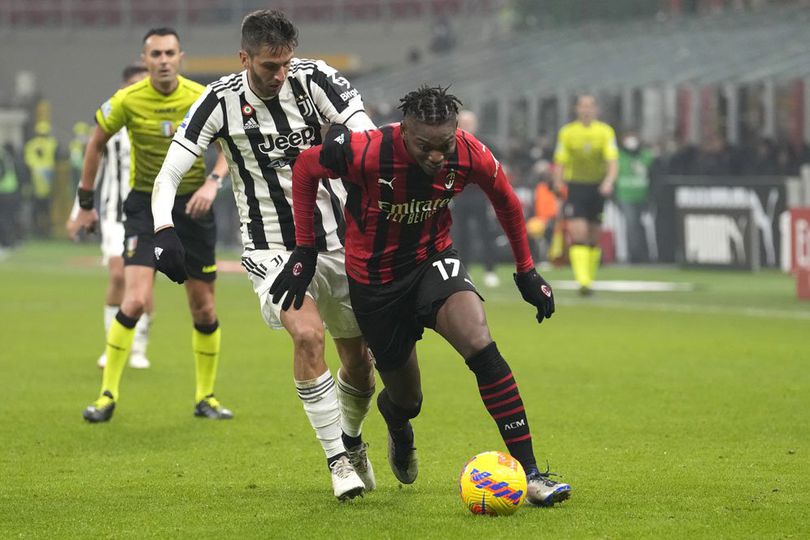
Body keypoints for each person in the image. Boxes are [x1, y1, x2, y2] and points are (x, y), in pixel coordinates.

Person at [271, 85, 572, 507]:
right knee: (407, 400)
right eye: (423, 147)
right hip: (374, 283)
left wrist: (527, 270)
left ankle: (532, 473)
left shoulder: (469, 153)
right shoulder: (369, 151)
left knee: (480, 345)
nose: (436, 156)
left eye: (443, 145)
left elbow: (505, 201)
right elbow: (305, 168)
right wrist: (305, 248)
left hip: (433, 261)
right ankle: (396, 422)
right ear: (404, 132)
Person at [149, 10, 377, 501]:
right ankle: (338, 460)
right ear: (244, 58)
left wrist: (348, 139)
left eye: (285, 64)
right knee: (307, 334)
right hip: (271, 246)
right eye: (270, 65)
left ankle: (354, 441)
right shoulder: (219, 100)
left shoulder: (315, 79)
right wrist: (164, 229)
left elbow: (368, 135)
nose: (280, 75)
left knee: (360, 365)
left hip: (339, 241)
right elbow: (168, 175)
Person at [73, 28, 231, 423]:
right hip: (145, 207)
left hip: (192, 208)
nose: (163, 60)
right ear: (144, 60)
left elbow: (229, 147)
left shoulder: (200, 98)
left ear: (181, 57)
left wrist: (213, 184)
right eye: (155, 53)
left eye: (170, 53)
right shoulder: (127, 100)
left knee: (204, 307)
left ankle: (205, 397)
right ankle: (106, 395)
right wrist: (86, 203)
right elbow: (96, 142)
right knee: (136, 299)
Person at [67, 65, 154, 370]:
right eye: (134, 83)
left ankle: (139, 347)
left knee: (143, 285)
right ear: (123, 88)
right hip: (116, 215)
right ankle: (114, 343)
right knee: (119, 275)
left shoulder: (158, 124)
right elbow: (92, 170)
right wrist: (78, 211)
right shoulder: (112, 124)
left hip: (153, 213)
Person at [553, 94, 618, 295]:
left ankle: (589, 278)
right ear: (576, 109)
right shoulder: (568, 132)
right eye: (583, 106)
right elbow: (560, 161)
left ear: (596, 110)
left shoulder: (605, 132)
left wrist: (608, 181)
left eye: (590, 106)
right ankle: (583, 281)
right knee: (578, 232)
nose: (586, 110)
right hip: (576, 187)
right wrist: (558, 184)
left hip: (597, 187)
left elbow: (612, 161)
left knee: (593, 235)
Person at [451, 110, 500, 287]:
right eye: (462, 123)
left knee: (486, 232)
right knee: (461, 234)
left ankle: (490, 270)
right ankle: (465, 269)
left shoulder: (485, 145)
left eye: (469, 123)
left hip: (480, 195)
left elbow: (496, 172)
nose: (466, 126)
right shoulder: (450, 145)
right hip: (459, 196)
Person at [615, 131, 653, 263]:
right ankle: (635, 255)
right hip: (625, 195)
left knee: (642, 226)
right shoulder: (618, 156)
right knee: (631, 225)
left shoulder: (646, 156)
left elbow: (652, 175)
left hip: (644, 196)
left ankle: (646, 253)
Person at [23, 120, 58, 238]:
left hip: (35, 179)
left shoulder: (31, 145)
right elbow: (57, 156)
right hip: (48, 180)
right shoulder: (51, 143)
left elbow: (27, 161)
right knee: (46, 209)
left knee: (36, 209)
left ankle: (37, 230)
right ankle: (46, 230)